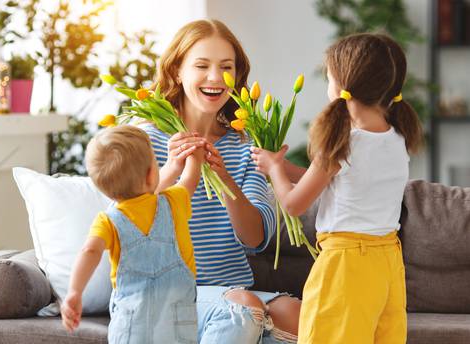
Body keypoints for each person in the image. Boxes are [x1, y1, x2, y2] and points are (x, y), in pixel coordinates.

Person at [251, 33, 422, 344]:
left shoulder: (343, 144)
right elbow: (340, 182)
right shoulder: (397, 138)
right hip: (386, 263)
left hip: (346, 265)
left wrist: (275, 170)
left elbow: (292, 205)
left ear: (343, 84)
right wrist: (284, 166)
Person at [137, 19, 301, 343]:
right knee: (241, 309)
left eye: (226, 67)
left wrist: (224, 178)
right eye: (202, 65)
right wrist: (172, 169)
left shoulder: (247, 146)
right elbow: (129, 223)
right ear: (176, 71)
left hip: (233, 290)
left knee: (299, 316)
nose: (215, 78)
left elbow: (255, 239)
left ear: (237, 77)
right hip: (167, 294)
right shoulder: (145, 140)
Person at [60, 125, 203, 343]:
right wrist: (195, 156)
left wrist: (74, 292)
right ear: (150, 174)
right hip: (177, 325)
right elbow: (190, 179)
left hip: (131, 327)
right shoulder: (173, 201)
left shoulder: (107, 220)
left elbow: (89, 250)